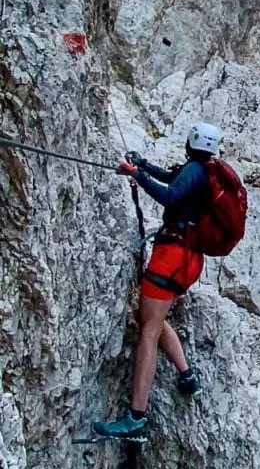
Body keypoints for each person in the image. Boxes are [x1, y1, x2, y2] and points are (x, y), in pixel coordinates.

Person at [92, 122, 224, 442]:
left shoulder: (195, 170)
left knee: (148, 329)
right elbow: (172, 179)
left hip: (172, 256)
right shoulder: (203, 170)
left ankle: (136, 417)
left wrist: (136, 175)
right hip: (187, 260)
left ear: (192, 140)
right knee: (156, 317)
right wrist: (145, 165)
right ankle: (186, 375)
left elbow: (169, 194)